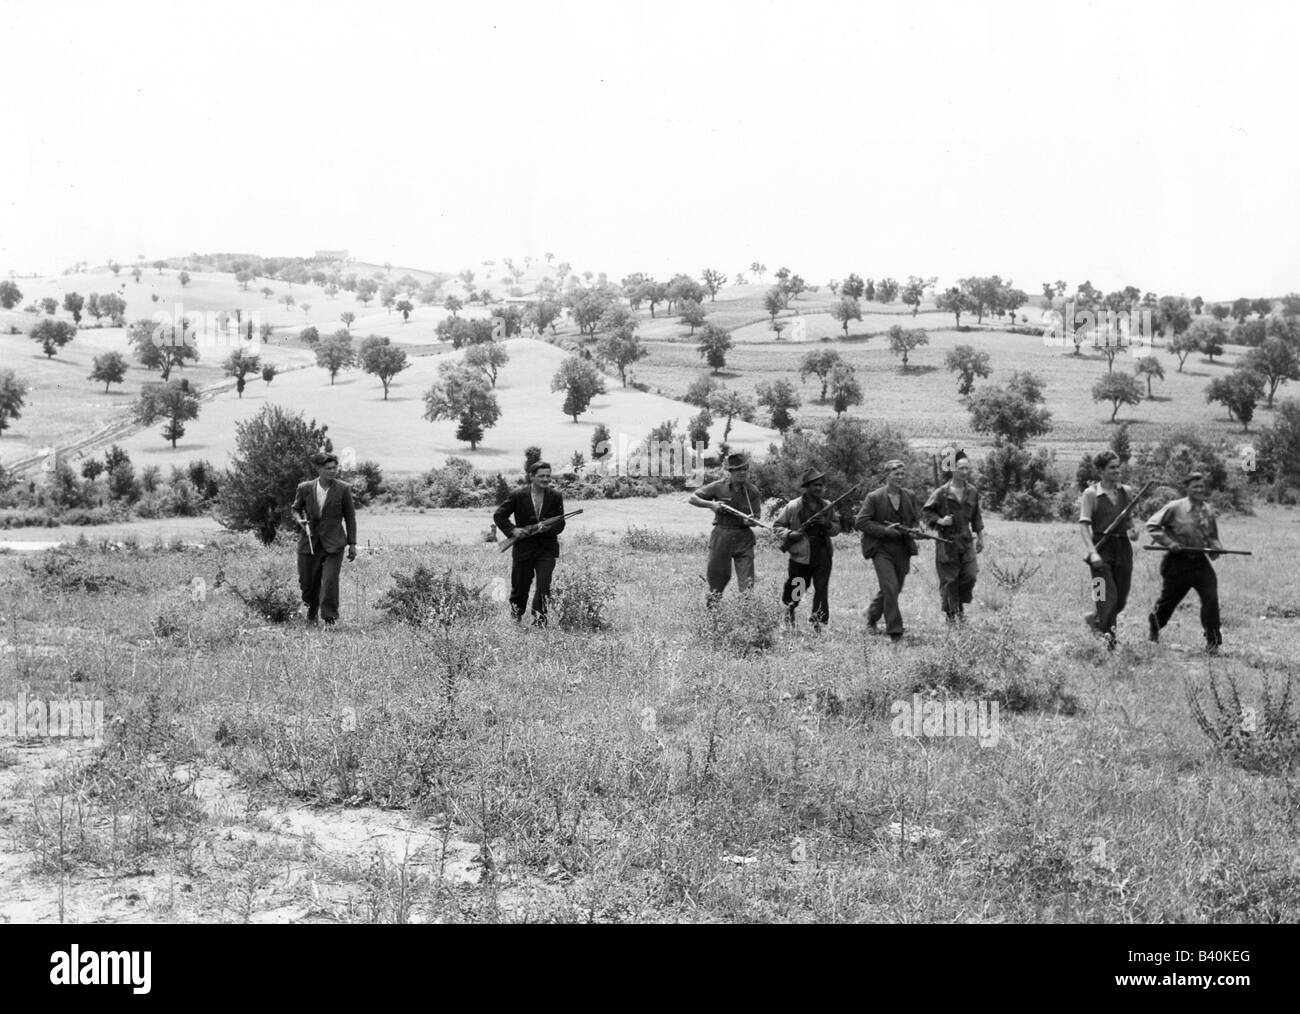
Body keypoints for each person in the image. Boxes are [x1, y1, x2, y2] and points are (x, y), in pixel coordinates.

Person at [1145, 471, 1224, 654]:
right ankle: (1154, 629)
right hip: (1177, 563)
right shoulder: (1175, 507)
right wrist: (1169, 543)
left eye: (1201, 486)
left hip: (1200, 563)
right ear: (1186, 488)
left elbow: (1212, 536)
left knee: (1211, 598)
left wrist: (1216, 548)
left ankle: (1212, 642)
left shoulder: (1208, 510)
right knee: (1168, 602)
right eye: (1194, 486)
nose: (1198, 489)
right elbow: (1152, 525)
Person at [1078, 450, 1140, 649]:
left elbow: (1128, 518)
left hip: (1122, 548)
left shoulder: (1126, 492)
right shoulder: (1090, 494)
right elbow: (1083, 525)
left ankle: (1094, 619)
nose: (1117, 470)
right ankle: (1109, 644)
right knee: (1104, 596)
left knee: (1120, 600)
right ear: (1100, 471)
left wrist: (1132, 529)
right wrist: (1092, 552)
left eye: (1117, 466)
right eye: (1112, 467)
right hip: (1099, 548)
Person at [493, 460, 567, 626]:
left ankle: (540, 620)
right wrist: (513, 531)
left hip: (546, 549)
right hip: (523, 549)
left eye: (548, 475)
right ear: (531, 476)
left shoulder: (555, 496)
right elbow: (499, 516)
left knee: (543, 586)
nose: (545, 479)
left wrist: (546, 529)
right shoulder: (518, 495)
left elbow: (560, 523)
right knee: (520, 587)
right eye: (541, 476)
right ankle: (516, 618)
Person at [856, 459, 922, 643]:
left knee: (893, 588)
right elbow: (861, 522)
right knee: (890, 586)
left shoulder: (909, 496)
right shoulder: (874, 497)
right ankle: (895, 631)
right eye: (896, 474)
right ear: (887, 475)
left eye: (902, 474)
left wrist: (916, 529)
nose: (900, 477)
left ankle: (870, 616)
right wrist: (885, 531)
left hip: (902, 549)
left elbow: (915, 520)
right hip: (880, 549)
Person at [291, 451, 358, 627]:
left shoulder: (343, 489)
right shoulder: (304, 488)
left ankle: (329, 619)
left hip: (334, 543)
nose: (332, 471)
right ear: (318, 468)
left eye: (335, 467)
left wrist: (352, 544)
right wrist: (300, 520)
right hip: (309, 542)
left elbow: (350, 517)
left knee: (329, 582)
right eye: (328, 468)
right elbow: (295, 509)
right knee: (307, 583)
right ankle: (312, 610)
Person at [772, 468, 842, 629]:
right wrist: (791, 534)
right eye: (815, 485)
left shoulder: (827, 506)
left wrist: (827, 524)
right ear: (807, 486)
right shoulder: (793, 506)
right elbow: (778, 526)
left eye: (821, 485)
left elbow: (837, 528)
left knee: (821, 587)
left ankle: (818, 622)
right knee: (798, 584)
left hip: (822, 551)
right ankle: (790, 611)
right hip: (800, 553)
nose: (819, 488)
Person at [690, 452, 763, 604]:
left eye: (744, 469)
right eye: (738, 470)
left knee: (747, 583)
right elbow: (693, 498)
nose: (742, 472)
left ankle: (745, 616)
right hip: (721, 536)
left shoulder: (753, 491)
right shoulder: (718, 487)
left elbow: (756, 517)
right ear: (730, 472)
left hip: (744, 539)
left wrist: (750, 521)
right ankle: (712, 614)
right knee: (717, 579)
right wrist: (712, 505)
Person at [921, 450, 984, 623]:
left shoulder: (972, 491)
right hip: (947, 542)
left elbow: (976, 516)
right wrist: (940, 521)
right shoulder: (941, 492)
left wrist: (980, 537)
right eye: (961, 468)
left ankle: (958, 606)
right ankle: (952, 615)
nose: (964, 472)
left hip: (966, 540)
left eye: (967, 469)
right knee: (949, 580)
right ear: (952, 469)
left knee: (970, 576)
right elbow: (926, 512)